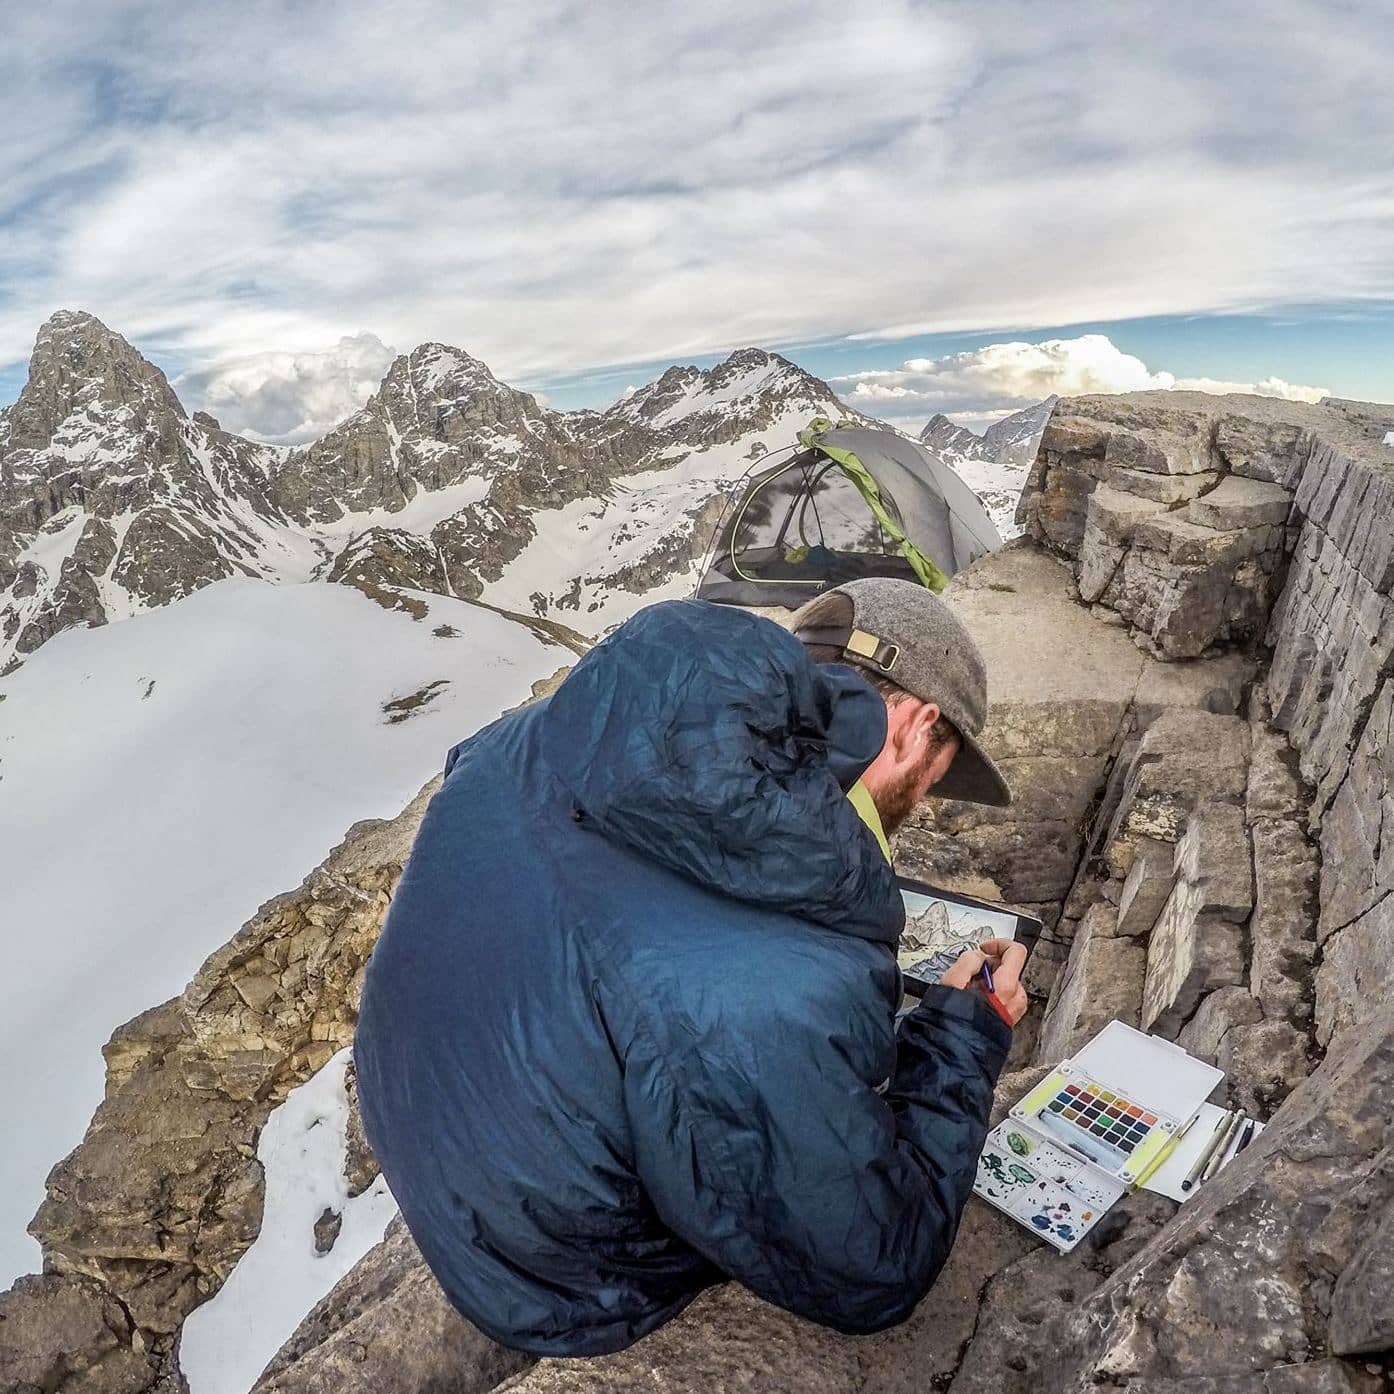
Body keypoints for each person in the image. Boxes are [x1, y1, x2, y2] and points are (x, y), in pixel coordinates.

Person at [354, 576, 1029, 1358]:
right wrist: (959, 1041)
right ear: (915, 724)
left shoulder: (528, 735)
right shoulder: (788, 978)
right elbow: (872, 1269)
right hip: (556, 1274)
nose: (927, 800)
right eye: (937, 775)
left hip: (436, 1135)